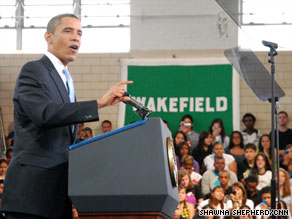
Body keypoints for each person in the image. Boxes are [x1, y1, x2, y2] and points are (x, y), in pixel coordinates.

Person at [1, 13, 132, 219]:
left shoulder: (66, 80)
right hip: (32, 196)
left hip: (58, 197)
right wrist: (99, 104)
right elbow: (44, 114)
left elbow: (64, 139)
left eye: (80, 33)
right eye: (68, 31)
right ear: (48, 37)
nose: (76, 37)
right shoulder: (34, 70)